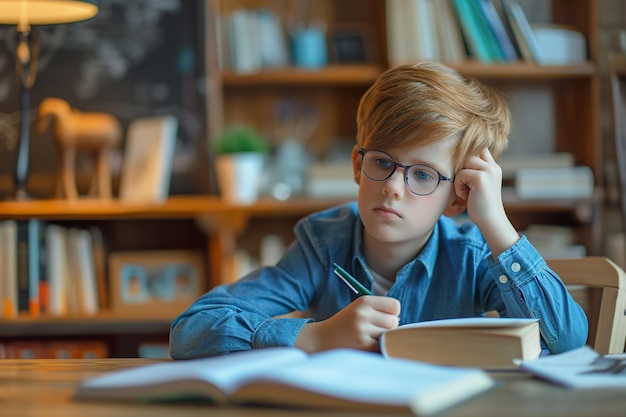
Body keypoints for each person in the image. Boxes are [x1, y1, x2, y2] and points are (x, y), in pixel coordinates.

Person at [169, 62, 587, 359]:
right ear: (357, 165)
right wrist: (312, 337)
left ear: (458, 196)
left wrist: (495, 222)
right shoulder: (323, 244)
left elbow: (565, 339)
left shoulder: (473, 254)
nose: (391, 186)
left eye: (423, 175)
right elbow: (191, 331)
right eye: (383, 162)